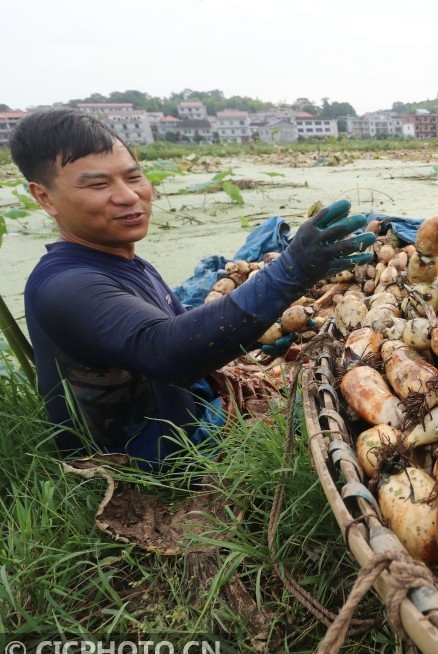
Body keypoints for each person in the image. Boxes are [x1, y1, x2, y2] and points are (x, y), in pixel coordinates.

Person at [9, 108, 375, 472]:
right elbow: (166, 351)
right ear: (44, 197)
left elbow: (189, 334)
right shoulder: (65, 286)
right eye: (97, 184)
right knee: (338, 408)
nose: (128, 196)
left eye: (133, 177)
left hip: (183, 419)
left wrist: (266, 339)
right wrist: (289, 271)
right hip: (152, 461)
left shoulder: (123, 260)